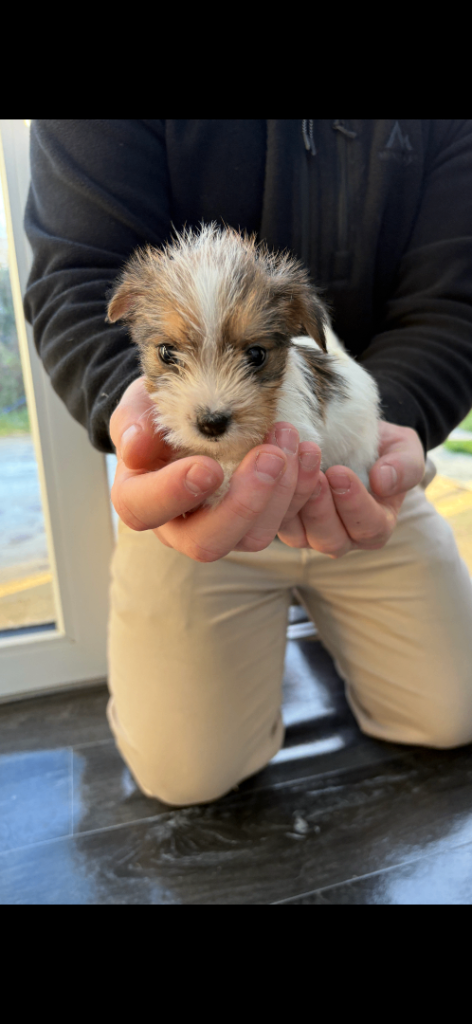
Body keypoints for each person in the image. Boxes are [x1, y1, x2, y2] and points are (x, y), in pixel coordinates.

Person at [24, 120, 472, 806]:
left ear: (295, 329)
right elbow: (74, 280)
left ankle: (330, 618)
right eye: (172, 356)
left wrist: (394, 431)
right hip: (188, 505)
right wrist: (130, 417)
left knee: (455, 714)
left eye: (254, 358)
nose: (213, 402)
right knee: (185, 776)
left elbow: (452, 305)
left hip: (362, 479)